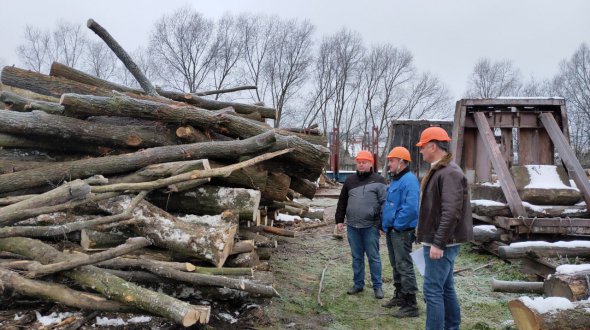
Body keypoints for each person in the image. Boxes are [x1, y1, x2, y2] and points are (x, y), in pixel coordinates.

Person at [415, 127, 473, 330]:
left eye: (422, 147)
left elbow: (451, 211)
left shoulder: (449, 173)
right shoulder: (442, 170)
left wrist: (438, 242)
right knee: (445, 288)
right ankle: (452, 327)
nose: (420, 151)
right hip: (440, 240)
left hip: (442, 242)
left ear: (433, 145)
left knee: (432, 290)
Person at [335, 150, 387, 299]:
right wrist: (339, 220)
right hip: (352, 226)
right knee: (357, 257)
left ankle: (377, 286)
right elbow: (342, 201)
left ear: (371, 163)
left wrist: (381, 225)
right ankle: (358, 284)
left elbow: (385, 204)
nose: (361, 164)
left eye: (364, 162)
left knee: (373, 257)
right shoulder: (350, 181)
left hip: (371, 227)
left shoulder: (379, 180)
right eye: (359, 162)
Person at [381, 146, 420, 318]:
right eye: (389, 160)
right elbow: (390, 205)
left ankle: (411, 305)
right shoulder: (396, 179)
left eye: (392, 160)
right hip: (392, 230)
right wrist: (386, 225)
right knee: (395, 264)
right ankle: (399, 296)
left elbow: (411, 208)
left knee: (404, 265)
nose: (389, 164)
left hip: (401, 231)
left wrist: (397, 225)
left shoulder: (409, 180)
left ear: (402, 162)